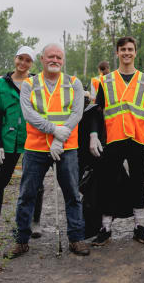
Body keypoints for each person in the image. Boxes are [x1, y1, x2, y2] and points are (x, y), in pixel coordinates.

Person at [6, 43, 88, 258]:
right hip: (36, 147)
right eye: (50, 56)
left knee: (72, 194)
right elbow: (29, 113)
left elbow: (77, 113)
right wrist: (54, 131)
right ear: (42, 59)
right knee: (27, 195)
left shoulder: (74, 83)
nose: (55, 60)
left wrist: (60, 139)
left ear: (63, 60)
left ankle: (76, 238)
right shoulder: (29, 84)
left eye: (59, 57)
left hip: (67, 147)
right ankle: (21, 241)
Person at [88, 36, 144, 246]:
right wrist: (94, 135)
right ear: (117, 53)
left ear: (135, 52)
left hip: (139, 138)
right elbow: (96, 111)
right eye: (123, 50)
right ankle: (105, 227)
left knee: (138, 183)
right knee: (107, 182)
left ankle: (139, 227)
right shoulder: (106, 80)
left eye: (130, 49)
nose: (127, 53)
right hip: (112, 139)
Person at [0, 46, 45, 242]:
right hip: (8, 140)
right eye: (20, 59)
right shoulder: (0, 84)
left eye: (27, 60)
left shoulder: (37, 84)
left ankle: (34, 222)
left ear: (32, 63)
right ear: (15, 59)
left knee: (36, 182)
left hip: (32, 138)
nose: (23, 63)